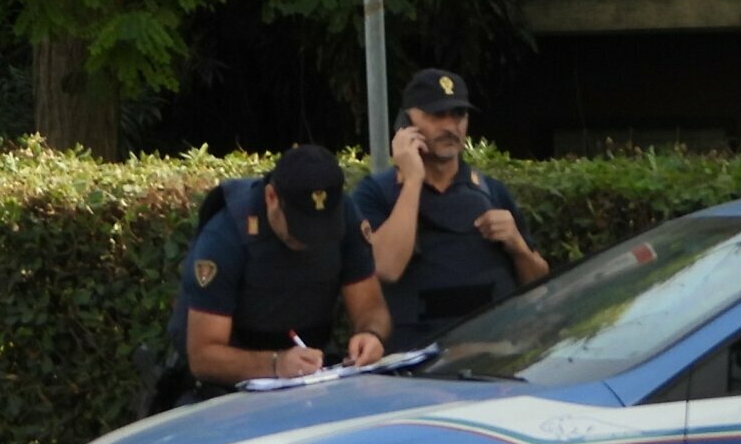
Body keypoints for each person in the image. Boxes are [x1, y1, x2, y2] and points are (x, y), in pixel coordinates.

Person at [349, 68, 549, 353]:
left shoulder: (490, 191)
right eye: (436, 115)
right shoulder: (376, 193)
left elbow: (539, 286)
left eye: (458, 115)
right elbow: (386, 268)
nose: (450, 126)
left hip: (492, 357)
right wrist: (413, 180)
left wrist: (518, 246)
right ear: (406, 123)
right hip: (416, 362)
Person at [172, 144, 389, 392]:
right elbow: (203, 356)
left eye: (323, 230)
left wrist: (371, 334)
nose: (311, 241)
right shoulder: (226, 235)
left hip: (315, 376)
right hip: (235, 391)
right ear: (271, 198)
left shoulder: (346, 213)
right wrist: (275, 364)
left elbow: (370, 305)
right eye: (301, 228)